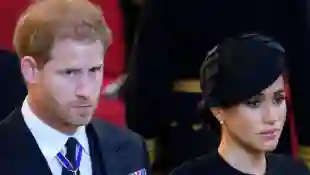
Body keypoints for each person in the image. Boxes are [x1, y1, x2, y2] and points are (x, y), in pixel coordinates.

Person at [0, 0, 149, 175]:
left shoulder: (130, 149)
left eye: (94, 70)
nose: (85, 91)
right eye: (70, 73)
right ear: (30, 70)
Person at [170, 34, 310, 175]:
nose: (272, 117)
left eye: (278, 99)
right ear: (218, 110)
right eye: (254, 103)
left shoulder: (296, 172)